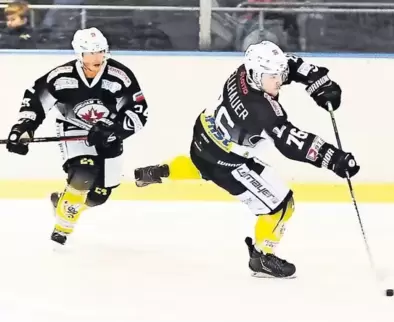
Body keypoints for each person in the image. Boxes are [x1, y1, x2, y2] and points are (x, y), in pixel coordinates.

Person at [134, 41, 359, 278]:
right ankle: (261, 256)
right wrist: (333, 158)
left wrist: (318, 82)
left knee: (202, 165)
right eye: (272, 77)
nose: (279, 80)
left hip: (203, 135)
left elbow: (288, 64)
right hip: (228, 162)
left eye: (278, 75)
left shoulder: (245, 71)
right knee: (282, 206)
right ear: (255, 74)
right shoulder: (260, 110)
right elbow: (292, 143)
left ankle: (163, 171)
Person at [5, 27, 149, 246]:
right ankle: (61, 231)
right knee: (84, 171)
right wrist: (24, 127)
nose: (96, 57)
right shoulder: (61, 76)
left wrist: (113, 129)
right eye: (90, 53)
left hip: (107, 133)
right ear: (79, 55)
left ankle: (63, 202)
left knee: (98, 196)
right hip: (73, 128)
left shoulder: (120, 76)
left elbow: (139, 112)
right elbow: (35, 99)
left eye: (100, 51)